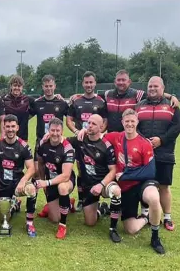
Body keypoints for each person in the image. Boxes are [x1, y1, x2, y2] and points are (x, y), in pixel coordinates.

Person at [101, 69, 179, 217]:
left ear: (129, 81)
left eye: (124, 80)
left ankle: (162, 216)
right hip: (125, 145)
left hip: (156, 149)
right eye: (119, 80)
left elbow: (176, 126)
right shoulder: (112, 96)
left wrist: (171, 96)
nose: (121, 82)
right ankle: (130, 210)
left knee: (160, 184)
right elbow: (91, 95)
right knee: (131, 178)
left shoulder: (143, 96)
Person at [104, 109, 165, 254]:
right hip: (126, 189)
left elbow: (150, 171)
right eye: (127, 121)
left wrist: (126, 175)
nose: (130, 124)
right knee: (130, 229)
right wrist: (82, 132)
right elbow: (98, 136)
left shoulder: (144, 143)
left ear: (137, 122)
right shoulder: (116, 137)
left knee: (154, 197)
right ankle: (146, 217)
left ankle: (155, 238)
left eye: (132, 121)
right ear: (122, 122)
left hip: (142, 183)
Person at [136, 76, 180, 231]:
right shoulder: (139, 106)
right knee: (144, 184)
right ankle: (145, 214)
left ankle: (167, 217)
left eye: (155, 86)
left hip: (165, 154)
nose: (152, 89)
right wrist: (144, 142)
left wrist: (161, 140)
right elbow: (134, 127)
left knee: (164, 186)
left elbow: (176, 127)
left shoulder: (171, 105)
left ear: (163, 88)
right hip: (144, 154)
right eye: (150, 86)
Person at [67, 114, 122, 243]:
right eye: (88, 123)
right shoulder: (80, 139)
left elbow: (113, 170)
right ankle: (102, 209)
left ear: (101, 127)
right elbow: (62, 141)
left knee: (116, 191)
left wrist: (101, 185)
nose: (89, 126)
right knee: (90, 222)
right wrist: (48, 136)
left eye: (94, 124)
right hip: (88, 186)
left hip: (103, 184)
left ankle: (113, 229)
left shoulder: (106, 145)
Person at [0, 114, 37, 237]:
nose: (10, 129)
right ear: (3, 127)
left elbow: (31, 168)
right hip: (1, 186)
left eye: (13, 126)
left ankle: (29, 222)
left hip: (17, 185)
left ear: (17, 127)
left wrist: (23, 181)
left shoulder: (24, 146)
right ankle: (14, 206)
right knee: (4, 219)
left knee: (31, 189)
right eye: (7, 126)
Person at [30, 75, 71, 219]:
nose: (48, 88)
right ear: (43, 87)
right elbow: (24, 116)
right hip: (41, 144)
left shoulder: (61, 102)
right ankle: (43, 200)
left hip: (58, 144)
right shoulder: (37, 103)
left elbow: (73, 115)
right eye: (46, 86)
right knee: (38, 172)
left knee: (58, 170)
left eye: (50, 86)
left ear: (55, 86)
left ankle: (63, 201)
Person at [67, 71, 108, 212]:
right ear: (83, 83)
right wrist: (76, 132)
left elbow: (105, 120)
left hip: (96, 142)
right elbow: (69, 119)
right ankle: (81, 199)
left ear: (95, 83)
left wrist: (100, 133)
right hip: (81, 142)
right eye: (86, 82)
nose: (89, 85)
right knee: (81, 170)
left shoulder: (101, 101)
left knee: (96, 169)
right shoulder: (76, 100)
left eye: (91, 82)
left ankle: (97, 199)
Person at [35, 118, 76, 239]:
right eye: (52, 130)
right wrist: (43, 183)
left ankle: (62, 226)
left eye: (58, 130)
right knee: (54, 218)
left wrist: (46, 182)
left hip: (65, 181)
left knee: (62, 188)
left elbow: (66, 175)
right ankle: (68, 204)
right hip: (50, 182)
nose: (55, 133)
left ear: (62, 131)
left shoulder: (67, 148)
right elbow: (41, 164)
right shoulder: (43, 144)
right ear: (48, 131)